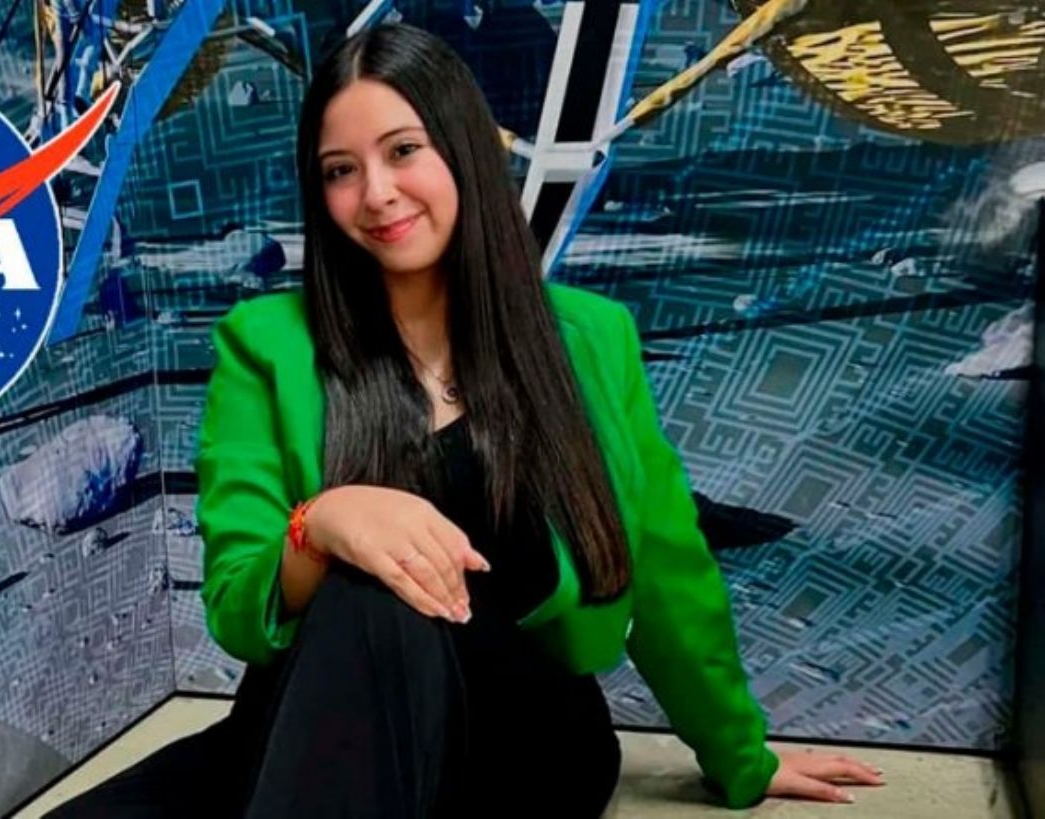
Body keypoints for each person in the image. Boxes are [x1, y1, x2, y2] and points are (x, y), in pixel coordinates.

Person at [47, 23, 884, 817]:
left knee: (377, 589)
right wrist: (324, 522)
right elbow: (237, 605)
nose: (377, 194)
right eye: (340, 170)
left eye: (403, 150)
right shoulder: (266, 345)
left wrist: (741, 753)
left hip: (517, 740)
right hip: (320, 719)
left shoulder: (590, 339)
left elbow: (668, 568)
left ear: (465, 149)